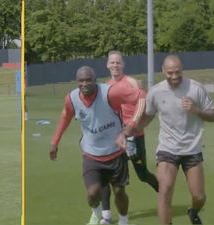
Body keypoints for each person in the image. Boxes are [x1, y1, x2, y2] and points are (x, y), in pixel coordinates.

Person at [49, 66, 145, 225]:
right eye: (81, 81)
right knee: (93, 194)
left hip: (116, 153)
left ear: (95, 80)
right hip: (91, 156)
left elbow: (141, 97)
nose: (85, 84)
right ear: (76, 82)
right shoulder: (71, 99)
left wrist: (131, 127)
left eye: (89, 80)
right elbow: (65, 117)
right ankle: (98, 214)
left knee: (119, 192)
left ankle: (123, 220)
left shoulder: (110, 93)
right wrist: (54, 142)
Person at [137, 55, 214, 224]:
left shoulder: (195, 88)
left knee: (199, 196)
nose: (174, 76)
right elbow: (148, 117)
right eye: (170, 73)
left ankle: (193, 211)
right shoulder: (156, 92)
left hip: (192, 149)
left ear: (182, 70)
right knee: (164, 190)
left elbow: (213, 115)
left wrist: (196, 110)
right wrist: (130, 131)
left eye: (178, 72)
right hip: (167, 149)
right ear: (163, 71)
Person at [98, 51, 159, 224]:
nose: (115, 65)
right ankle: (107, 216)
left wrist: (137, 125)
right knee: (107, 175)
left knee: (142, 174)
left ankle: (163, 193)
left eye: (118, 62)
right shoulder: (106, 86)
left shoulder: (132, 83)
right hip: (115, 138)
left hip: (135, 136)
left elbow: (146, 105)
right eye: (112, 62)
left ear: (123, 65)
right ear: (107, 65)